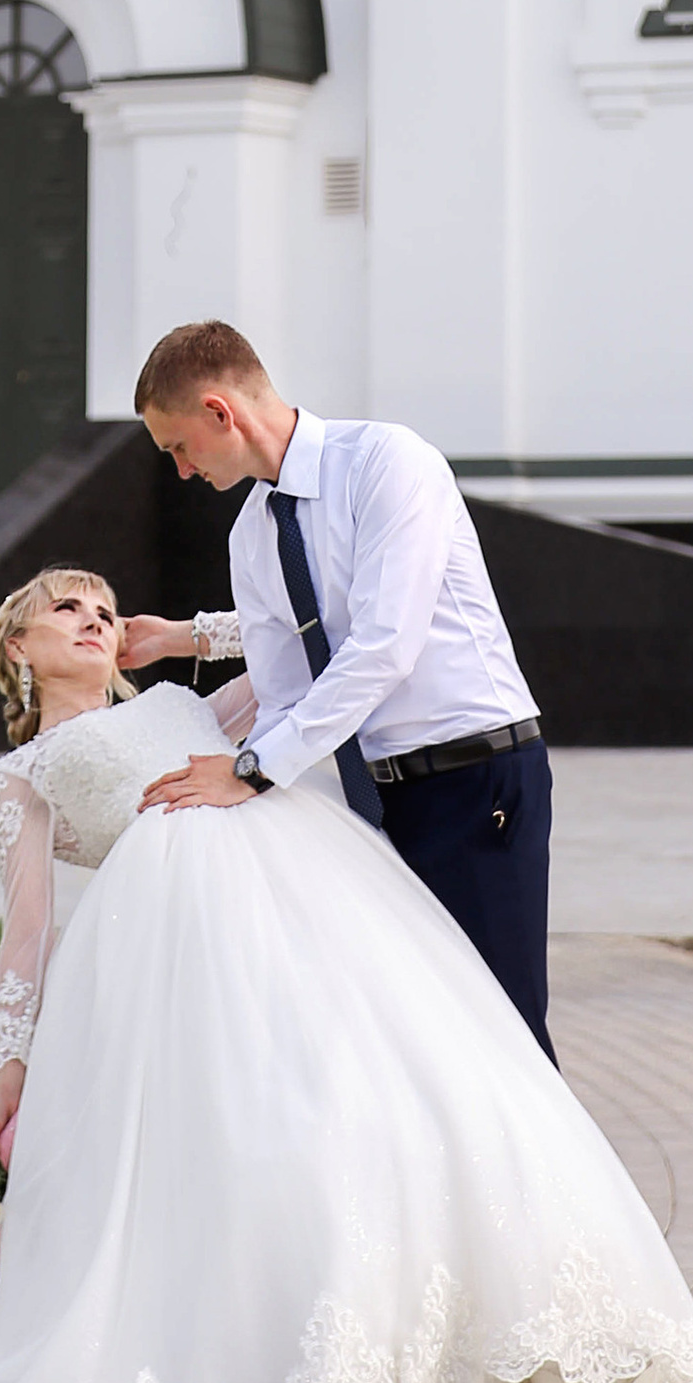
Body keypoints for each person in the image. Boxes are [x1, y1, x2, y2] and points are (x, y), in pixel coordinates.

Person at [0, 562, 693, 1383]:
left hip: (303, 908)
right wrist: (11, 1060)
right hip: (168, 960)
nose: (94, 616)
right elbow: (28, 929)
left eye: (106, 605)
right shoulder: (20, 774)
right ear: (17, 643)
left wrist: (188, 635)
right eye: (67, 607)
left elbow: (310, 653)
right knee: (246, 1150)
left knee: (372, 1108)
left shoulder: (190, 708)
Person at [126, 321, 556, 1052]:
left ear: (219, 413)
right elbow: (284, 691)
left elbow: (383, 645)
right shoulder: (250, 536)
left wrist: (253, 772)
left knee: (505, 1040)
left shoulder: (389, 463)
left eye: (178, 448)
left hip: (475, 781)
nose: (182, 472)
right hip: (372, 805)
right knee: (414, 1046)